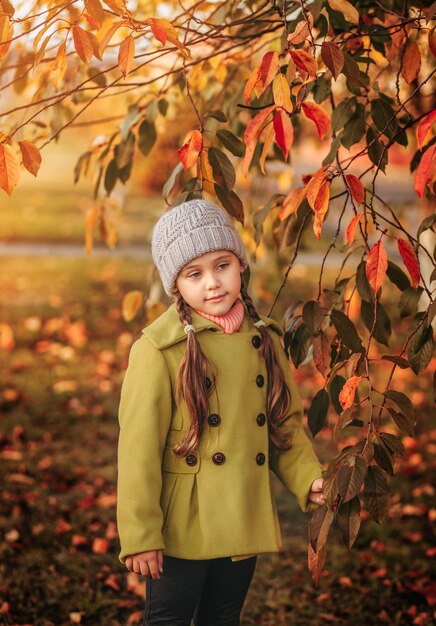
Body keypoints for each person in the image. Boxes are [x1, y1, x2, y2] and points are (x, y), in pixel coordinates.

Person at [117, 199, 325, 626]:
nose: (213, 283)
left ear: (240, 265)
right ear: (177, 285)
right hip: (180, 528)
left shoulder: (265, 339)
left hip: (240, 513)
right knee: (168, 620)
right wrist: (140, 535)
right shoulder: (157, 351)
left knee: (222, 617)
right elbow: (137, 453)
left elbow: (283, 426)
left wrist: (311, 480)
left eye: (222, 265)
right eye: (195, 274)